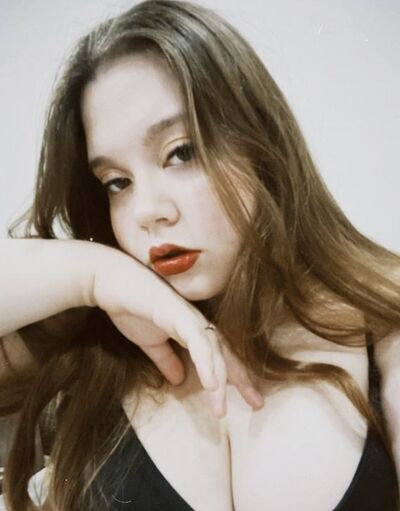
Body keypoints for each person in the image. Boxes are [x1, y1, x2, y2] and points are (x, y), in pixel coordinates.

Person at [0, 0, 399, 509]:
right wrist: (93, 275)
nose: (147, 211)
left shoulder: (380, 326)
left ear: (259, 145)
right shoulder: (98, 343)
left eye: (181, 152)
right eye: (117, 182)